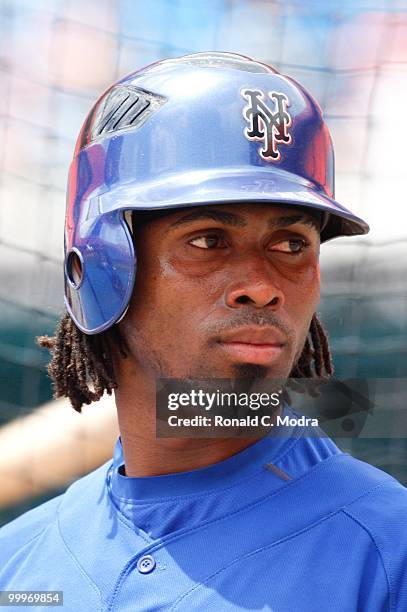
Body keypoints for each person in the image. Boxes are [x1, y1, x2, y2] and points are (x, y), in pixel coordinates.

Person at [0, 52, 406, 611]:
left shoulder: (389, 552)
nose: (262, 286)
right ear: (99, 266)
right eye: (209, 240)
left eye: (291, 244)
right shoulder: (17, 565)